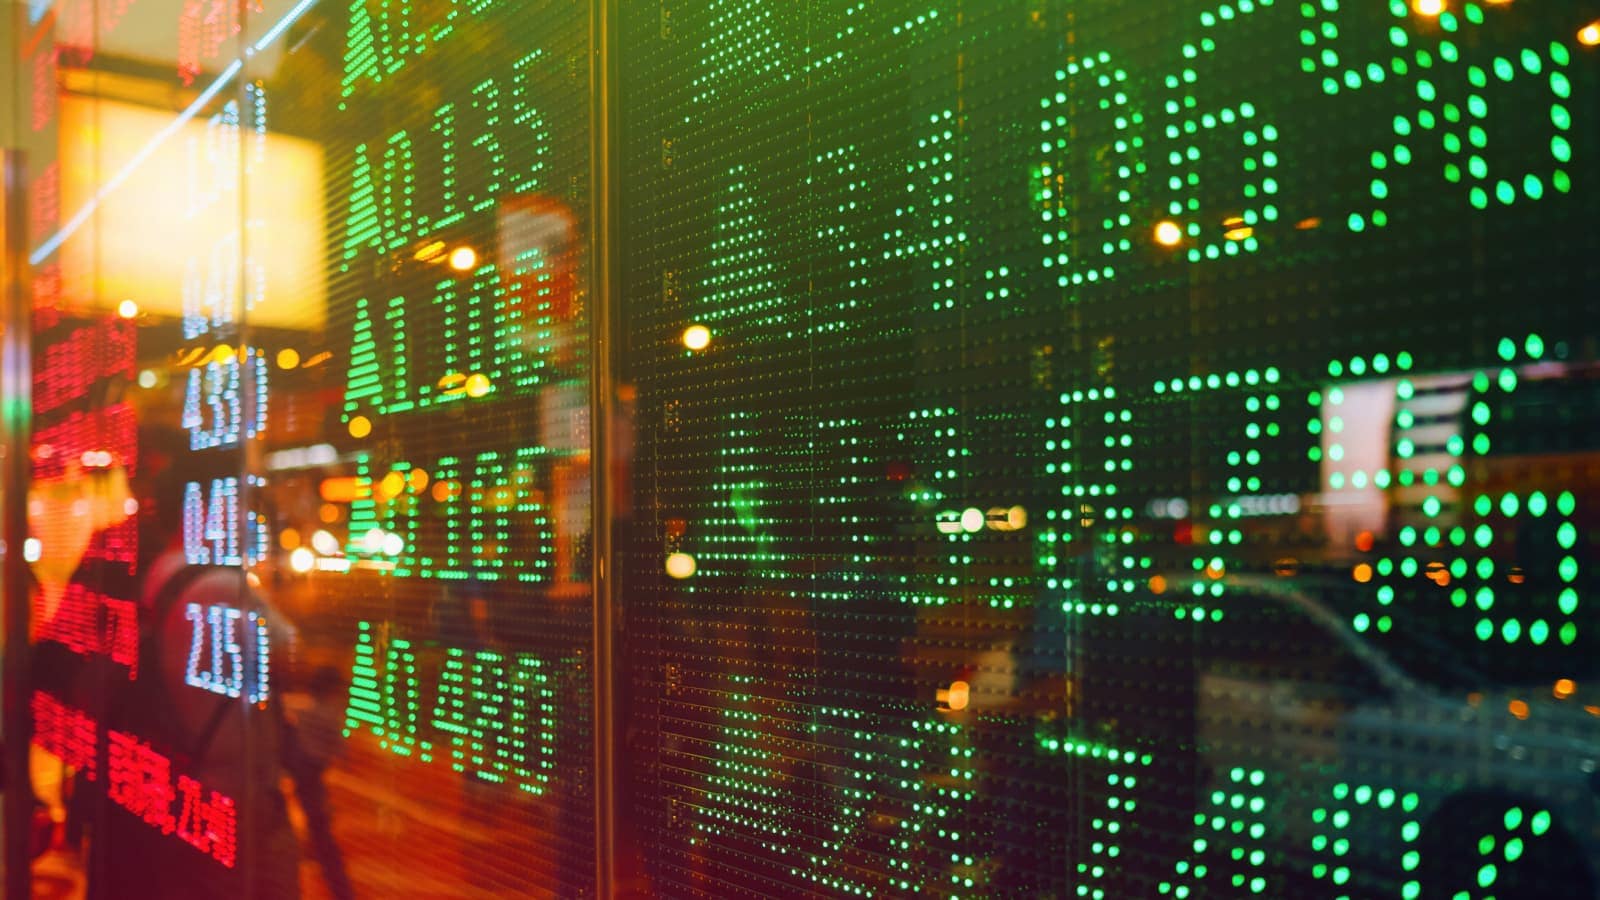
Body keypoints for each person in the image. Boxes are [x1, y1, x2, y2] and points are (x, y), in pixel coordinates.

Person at [283, 666, 355, 899]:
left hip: (298, 771)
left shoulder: (301, 706)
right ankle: (341, 889)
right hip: (311, 775)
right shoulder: (331, 715)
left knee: (314, 824)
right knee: (322, 832)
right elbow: (341, 752)